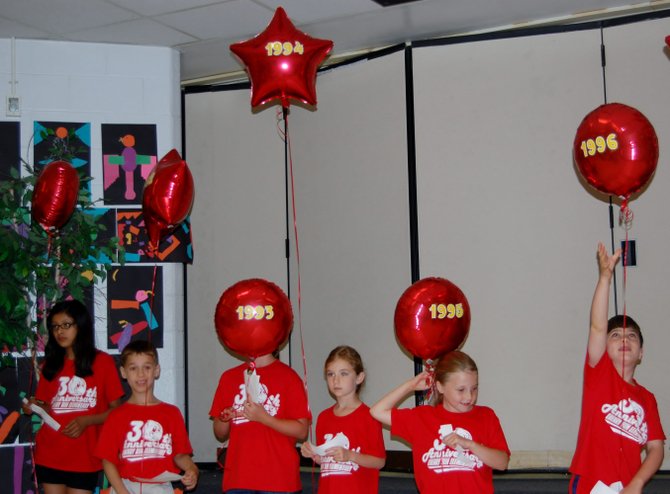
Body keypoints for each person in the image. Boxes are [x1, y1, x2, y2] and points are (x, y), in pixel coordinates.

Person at [569, 243, 665, 494]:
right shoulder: (599, 374)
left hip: (627, 487)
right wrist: (605, 278)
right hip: (591, 483)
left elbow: (656, 448)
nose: (624, 340)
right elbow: (597, 327)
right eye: (616, 335)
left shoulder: (647, 399)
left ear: (641, 353)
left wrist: (637, 482)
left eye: (632, 336)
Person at [370, 350, 509, 493]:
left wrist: (470, 445)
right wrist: (410, 386)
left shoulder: (486, 416)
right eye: (460, 390)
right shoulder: (421, 418)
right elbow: (377, 411)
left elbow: (502, 463)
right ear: (440, 386)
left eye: (474, 388)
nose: (469, 396)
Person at [23, 299, 125, 494]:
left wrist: (87, 421)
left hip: (84, 456)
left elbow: (117, 411)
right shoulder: (49, 366)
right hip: (50, 453)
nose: (60, 331)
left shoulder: (102, 363)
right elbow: (47, 407)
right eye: (55, 327)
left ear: (81, 325)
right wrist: (34, 406)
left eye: (66, 325)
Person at [95, 340, 199, 494]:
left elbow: (180, 455)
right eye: (133, 368)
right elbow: (107, 460)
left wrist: (192, 470)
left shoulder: (172, 413)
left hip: (160, 487)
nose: (141, 374)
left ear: (156, 370)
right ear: (123, 372)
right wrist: (122, 491)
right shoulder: (116, 415)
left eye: (147, 367)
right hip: (124, 486)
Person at [209, 350, 311, 493]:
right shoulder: (229, 377)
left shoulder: (288, 377)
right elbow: (219, 433)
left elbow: (302, 431)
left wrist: (264, 418)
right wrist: (225, 418)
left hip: (278, 479)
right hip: (239, 479)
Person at [301, 345, 386, 493]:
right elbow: (329, 463)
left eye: (344, 374)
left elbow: (379, 461)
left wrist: (350, 455)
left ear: (359, 377)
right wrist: (315, 455)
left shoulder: (369, 416)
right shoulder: (323, 417)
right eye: (330, 374)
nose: (336, 380)